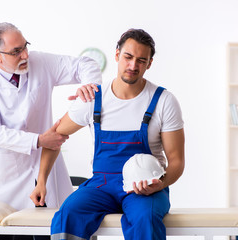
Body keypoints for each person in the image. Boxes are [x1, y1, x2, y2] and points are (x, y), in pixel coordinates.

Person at [31, 28, 185, 240]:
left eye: (141, 60)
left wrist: (161, 183)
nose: (133, 66)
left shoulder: (164, 101)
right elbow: (54, 137)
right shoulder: (92, 98)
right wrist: (41, 182)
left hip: (144, 187)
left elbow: (176, 161)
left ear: (149, 63)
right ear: (116, 55)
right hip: (101, 186)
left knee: (145, 219)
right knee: (68, 213)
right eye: (128, 57)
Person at [0, 22, 102, 212]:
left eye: (25, 46)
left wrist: (89, 84)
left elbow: (86, 64)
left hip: (44, 167)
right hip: (5, 176)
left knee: (47, 229)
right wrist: (39, 140)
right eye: (16, 51)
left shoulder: (40, 62)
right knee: (7, 231)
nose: (25, 55)